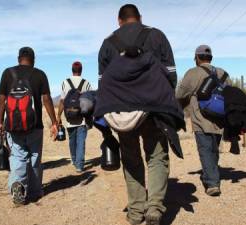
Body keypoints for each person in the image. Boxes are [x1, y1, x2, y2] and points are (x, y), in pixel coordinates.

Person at [97, 4, 179, 225]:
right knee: (156, 157)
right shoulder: (157, 36)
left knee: (131, 159)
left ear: (119, 20)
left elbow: (103, 84)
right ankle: (154, 208)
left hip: (123, 112)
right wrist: (165, 101)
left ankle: (135, 212)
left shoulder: (107, 43)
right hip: (154, 108)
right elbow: (171, 75)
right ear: (140, 18)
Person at [0, 47, 58, 205]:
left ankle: (18, 184)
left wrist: (0, 121)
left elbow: (1, 99)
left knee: (18, 156)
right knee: (35, 157)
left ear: (19, 59)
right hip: (35, 126)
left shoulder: (7, 73)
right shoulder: (40, 74)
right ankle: (34, 191)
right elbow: (47, 99)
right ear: (33, 59)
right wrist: (54, 122)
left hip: (12, 125)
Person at [176, 45, 231, 197]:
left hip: (201, 119)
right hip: (220, 119)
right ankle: (212, 172)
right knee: (213, 149)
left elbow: (180, 94)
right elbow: (229, 94)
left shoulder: (192, 73)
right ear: (210, 58)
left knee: (205, 150)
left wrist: (180, 107)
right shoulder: (223, 73)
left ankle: (212, 183)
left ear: (197, 58)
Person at [57, 61, 92, 173]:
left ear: (72, 70)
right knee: (81, 141)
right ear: (81, 70)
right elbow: (90, 101)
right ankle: (79, 165)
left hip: (69, 118)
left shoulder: (65, 82)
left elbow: (62, 101)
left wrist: (58, 116)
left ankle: (74, 159)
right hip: (82, 118)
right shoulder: (86, 83)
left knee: (72, 140)